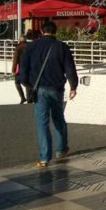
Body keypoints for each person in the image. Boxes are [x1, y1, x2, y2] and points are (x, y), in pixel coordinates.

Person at [19, 21, 78, 169]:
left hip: (39, 89)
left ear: (41, 30)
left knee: (42, 123)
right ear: (55, 31)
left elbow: (23, 69)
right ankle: (61, 149)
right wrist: (73, 86)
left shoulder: (31, 47)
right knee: (58, 118)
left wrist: (27, 84)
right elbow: (70, 68)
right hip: (57, 89)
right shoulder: (62, 47)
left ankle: (44, 158)